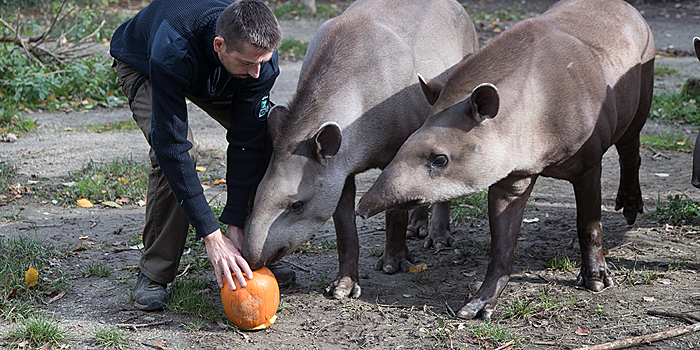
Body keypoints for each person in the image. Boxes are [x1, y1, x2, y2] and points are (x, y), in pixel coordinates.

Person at [110, 0, 294, 311]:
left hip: (217, 70)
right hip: (145, 63)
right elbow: (172, 148)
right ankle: (155, 272)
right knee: (180, 155)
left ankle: (247, 254)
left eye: (262, 61)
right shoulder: (173, 47)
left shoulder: (258, 62)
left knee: (267, 137)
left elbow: (247, 139)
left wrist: (234, 220)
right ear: (220, 45)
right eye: (250, 63)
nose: (258, 72)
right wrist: (211, 234)